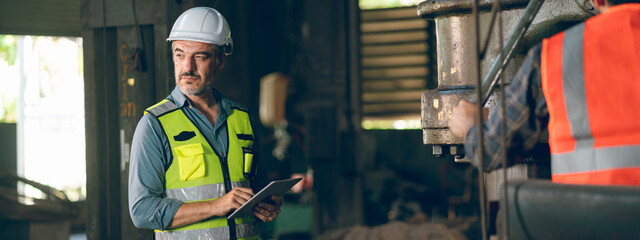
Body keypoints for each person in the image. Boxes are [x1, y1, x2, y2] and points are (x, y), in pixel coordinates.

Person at [128, 7, 282, 239]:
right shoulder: (155, 125)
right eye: (179, 55)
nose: (187, 67)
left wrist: (267, 203)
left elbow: (257, 187)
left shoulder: (242, 118)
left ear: (220, 61)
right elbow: (141, 211)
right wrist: (215, 206)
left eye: (199, 56)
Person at [447, 0, 640, 185]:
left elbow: (491, 151)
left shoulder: (552, 56)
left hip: (585, 213)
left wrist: (469, 126)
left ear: (598, 0)